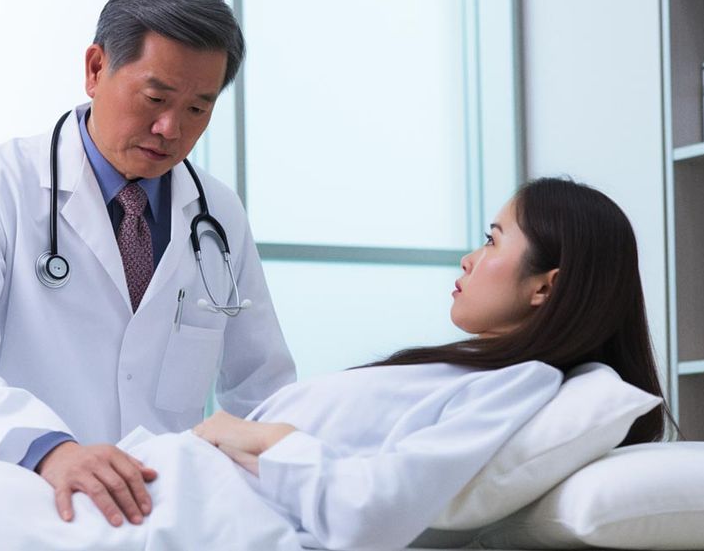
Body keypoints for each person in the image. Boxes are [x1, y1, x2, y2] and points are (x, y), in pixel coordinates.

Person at [0, 0, 296, 529]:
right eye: (156, 97)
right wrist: (50, 449)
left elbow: (262, 381)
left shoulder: (218, 214)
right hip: (13, 505)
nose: (169, 128)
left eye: (197, 109)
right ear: (95, 69)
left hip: (159, 515)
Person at [188, 177, 670, 549]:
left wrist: (264, 438)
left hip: (192, 511)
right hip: (177, 490)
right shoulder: (477, 373)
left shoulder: (522, 385)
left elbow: (374, 509)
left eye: (492, 240)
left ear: (545, 286)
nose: (468, 259)